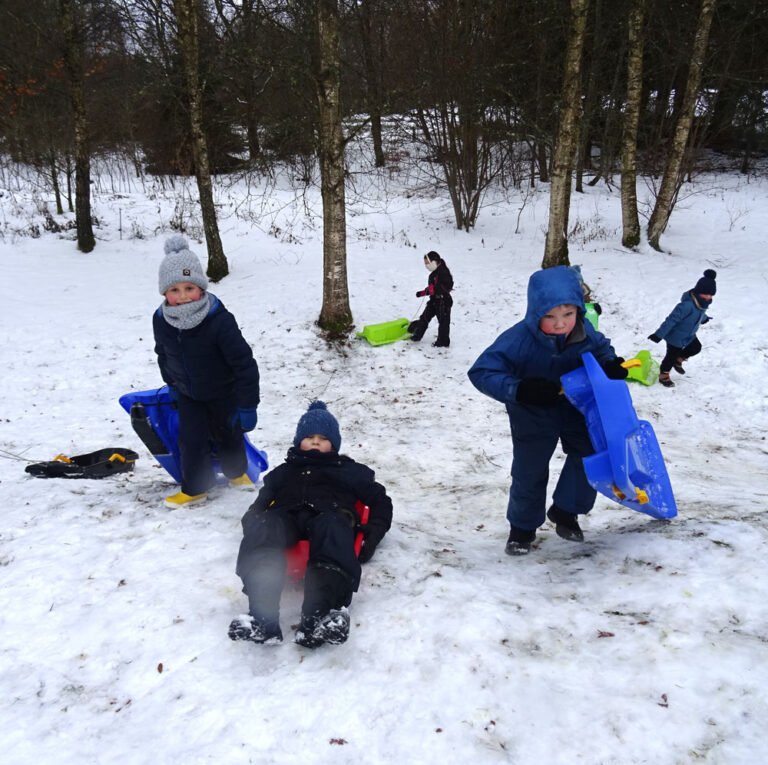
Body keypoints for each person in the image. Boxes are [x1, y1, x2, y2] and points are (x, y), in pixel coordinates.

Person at [467, 266, 627, 555]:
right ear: (535, 313)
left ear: (579, 310)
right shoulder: (518, 339)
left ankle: (566, 511)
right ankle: (522, 529)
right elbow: (481, 371)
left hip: (576, 408)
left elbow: (602, 350)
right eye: (550, 316)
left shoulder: (584, 331)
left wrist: (611, 365)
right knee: (530, 471)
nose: (560, 324)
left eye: (568, 314)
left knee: (590, 455)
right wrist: (520, 389)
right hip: (533, 413)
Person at [229, 401, 393, 648]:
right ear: (298, 441)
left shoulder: (349, 471)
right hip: (286, 518)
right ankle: (262, 620)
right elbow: (260, 504)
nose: (315, 442)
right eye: (309, 437)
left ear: (334, 444)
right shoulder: (283, 472)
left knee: (333, 526)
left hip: (329, 518)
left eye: (323, 438)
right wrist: (254, 522)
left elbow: (381, 501)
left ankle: (318, 618)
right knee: (267, 523)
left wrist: (374, 532)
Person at [153, 235, 260, 508]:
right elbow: (162, 352)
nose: (183, 296)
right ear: (164, 292)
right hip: (188, 394)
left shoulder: (218, 320)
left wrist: (247, 406)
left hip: (224, 391)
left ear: (200, 287)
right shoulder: (161, 319)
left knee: (228, 435)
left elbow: (244, 362)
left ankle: (237, 474)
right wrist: (172, 384)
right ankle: (196, 488)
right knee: (190, 441)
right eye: (174, 290)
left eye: (189, 287)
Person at [648, 269, 716, 388]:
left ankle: (679, 359)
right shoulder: (686, 306)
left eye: (711, 295)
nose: (708, 297)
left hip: (689, 335)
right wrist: (659, 334)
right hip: (676, 337)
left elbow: (699, 313)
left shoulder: (702, 303)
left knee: (696, 347)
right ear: (698, 292)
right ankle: (664, 375)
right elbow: (671, 320)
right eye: (706, 294)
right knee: (670, 357)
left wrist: (704, 318)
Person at [409, 251, 453, 347]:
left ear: (434, 262)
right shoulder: (432, 274)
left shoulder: (444, 272)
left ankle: (442, 342)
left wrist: (436, 289)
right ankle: (417, 335)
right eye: (425, 264)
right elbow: (431, 289)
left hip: (443, 302)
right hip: (434, 301)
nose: (427, 266)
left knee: (443, 323)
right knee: (424, 317)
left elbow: (448, 286)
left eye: (428, 263)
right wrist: (423, 292)